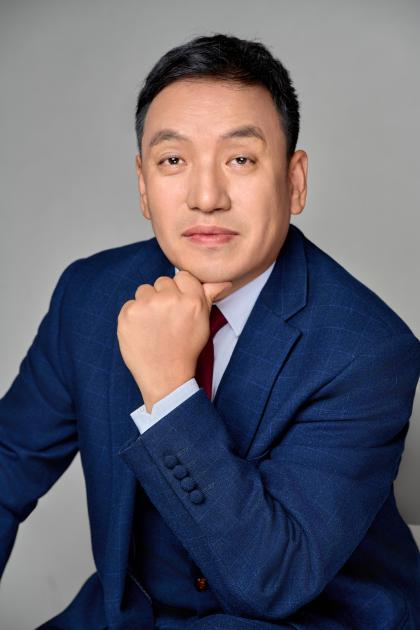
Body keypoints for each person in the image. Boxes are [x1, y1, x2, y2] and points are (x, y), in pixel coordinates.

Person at [0, 33, 419, 630]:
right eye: (173, 161)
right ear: (144, 185)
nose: (205, 197)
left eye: (240, 159)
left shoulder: (367, 349)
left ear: (295, 181)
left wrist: (169, 389)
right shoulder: (89, 295)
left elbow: (272, 582)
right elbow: (7, 464)